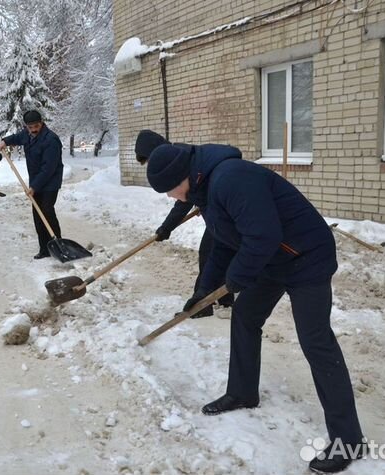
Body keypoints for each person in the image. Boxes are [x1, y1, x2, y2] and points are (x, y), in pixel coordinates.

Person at [146, 143, 365, 473]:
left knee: (315, 341)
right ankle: (242, 392)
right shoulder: (205, 190)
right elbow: (223, 241)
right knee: (246, 315)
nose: (171, 198)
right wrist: (204, 289)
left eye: (169, 190)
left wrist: (237, 278)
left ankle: (349, 439)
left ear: (182, 177)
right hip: (274, 259)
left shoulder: (231, 179)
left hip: (307, 257)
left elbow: (262, 236)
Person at [134, 129, 233, 317]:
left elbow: (183, 203)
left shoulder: (180, 162)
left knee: (211, 254)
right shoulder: (180, 154)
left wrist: (166, 228)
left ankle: (203, 304)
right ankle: (225, 300)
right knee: (217, 252)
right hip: (217, 207)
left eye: (149, 161)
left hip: (225, 208)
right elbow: (187, 198)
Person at [0, 110, 64, 259]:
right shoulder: (27, 134)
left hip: (50, 182)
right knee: (37, 214)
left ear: (41, 123)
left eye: (36, 126)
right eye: (30, 127)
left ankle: (59, 246)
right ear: (26, 126)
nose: (33, 129)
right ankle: (45, 249)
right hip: (36, 181)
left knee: (46, 211)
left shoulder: (51, 140)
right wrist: (5, 141)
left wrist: (34, 187)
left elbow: (48, 169)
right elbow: (17, 137)